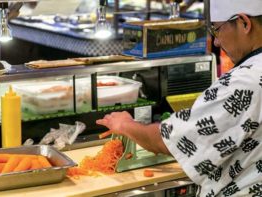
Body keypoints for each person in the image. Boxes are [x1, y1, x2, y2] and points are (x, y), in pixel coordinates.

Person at [96, 0, 262, 196]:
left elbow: (171, 140)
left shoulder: (244, 80)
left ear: (244, 23)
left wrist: (125, 125)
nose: (216, 42)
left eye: (217, 30)